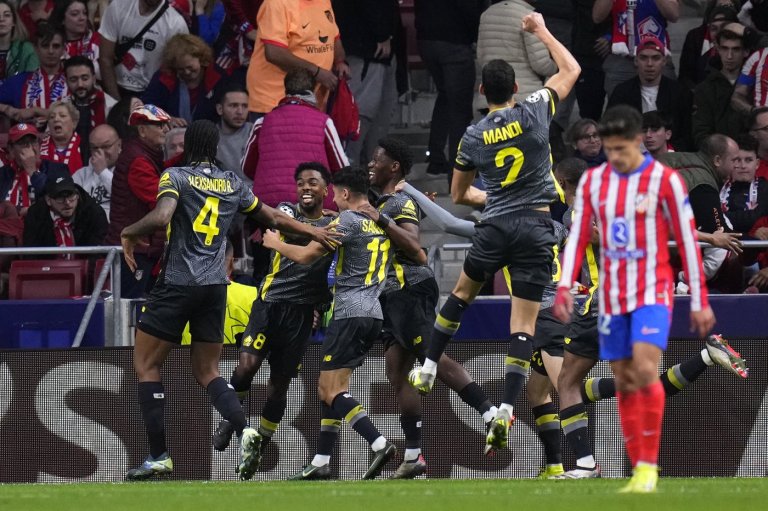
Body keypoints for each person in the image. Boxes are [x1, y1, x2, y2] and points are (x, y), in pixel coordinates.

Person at [120, 119, 340, 481]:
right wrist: (313, 231)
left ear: (188, 145)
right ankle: (244, 429)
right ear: (215, 147)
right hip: (215, 286)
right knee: (208, 372)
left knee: (146, 365)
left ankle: (158, 455)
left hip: (177, 283)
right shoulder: (232, 183)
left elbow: (162, 216)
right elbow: (273, 217)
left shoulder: (176, 177)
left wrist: (129, 232)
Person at [407, 13, 580, 457]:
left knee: (461, 295)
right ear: (515, 88)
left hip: (497, 225)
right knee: (522, 325)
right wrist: (540, 31)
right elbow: (571, 69)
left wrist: (495, 197)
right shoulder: (535, 108)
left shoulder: (472, 135)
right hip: (537, 227)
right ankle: (504, 408)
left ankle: (428, 366)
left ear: (482, 91)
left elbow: (459, 194)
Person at [553, 105, 715, 493]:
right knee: (623, 380)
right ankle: (614, 463)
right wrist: (563, 286)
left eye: (621, 148)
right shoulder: (594, 184)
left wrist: (699, 298)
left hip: (650, 291)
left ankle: (641, 466)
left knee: (637, 372)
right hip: (608, 299)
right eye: (609, 149)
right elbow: (578, 238)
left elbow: (685, 237)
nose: (615, 157)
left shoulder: (665, 180)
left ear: (638, 142)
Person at [367, 137, 499, 478]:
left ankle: (490, 413)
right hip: (391, 294)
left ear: (394, 167)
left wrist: (382, 219)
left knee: (431, 357)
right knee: (396, 372)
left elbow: (414, 245)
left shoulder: (397, 202)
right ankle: (413, 456)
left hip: (408, 288)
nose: (371, 164)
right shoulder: (385, 203)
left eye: (377, 160)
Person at [261, 166, 395, 481]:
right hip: (373, 312)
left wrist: (275, 243)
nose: (333, 200)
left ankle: (378, 443)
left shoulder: (346, 221)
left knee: (328, 389)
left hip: (349, 313)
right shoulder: (379, 221)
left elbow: (307, 256)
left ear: (345, 193)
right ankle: (321, 461)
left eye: (335, 193)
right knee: (334, 389)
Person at [210, 162, 335, 460]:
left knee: (278, 387)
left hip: (301, 313)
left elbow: (325, 267)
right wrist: (317, 229)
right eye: (300, 183)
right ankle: (231, 419)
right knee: (246, 366)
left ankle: (260, 446)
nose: (305, 187)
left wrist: (320, 306)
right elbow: (281, 227)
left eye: (312, 182)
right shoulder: (287, 211)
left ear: (326, 190)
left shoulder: (335, 225)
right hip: (269, 303)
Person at [241, 67, 348, 211]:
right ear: (313, 90)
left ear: (285, 90)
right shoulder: (324, 122)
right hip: (313, 203)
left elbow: (246, 167)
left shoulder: (262, 122)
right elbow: (341, 167)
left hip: (268, 206)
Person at [105, 104, 171, 298]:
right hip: (135, 251)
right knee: (131, 307)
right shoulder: (138, 162)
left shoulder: (144, 154)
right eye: (159, 125)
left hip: (140, 248)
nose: (165, 129)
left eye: (165, 125)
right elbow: (161, 201)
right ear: (142, 130)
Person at [415, 0, 484, 177]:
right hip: (455, 41)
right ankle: (458, 169)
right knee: (460, 109)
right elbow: (470, 9)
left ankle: (436, 158)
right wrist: (475, 37)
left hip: (427, 39)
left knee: (445, 97)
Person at [246, 0, 350, 116]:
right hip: (275, 101)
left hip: (311, 102)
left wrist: (340, 61)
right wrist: (317, 72)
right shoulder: (277, 3)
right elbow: (274, 53)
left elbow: (333, 36)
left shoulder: (324, 1)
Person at [333, 0, 400, 165]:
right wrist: (383, 34)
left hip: (367, 49)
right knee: (360, 114)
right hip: (367, 49)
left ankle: (367, 169)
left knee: (373, 115)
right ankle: (351, 168)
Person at [607, 36, 692, 151]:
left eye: (655, 58)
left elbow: (687, 134)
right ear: (636, 61)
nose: (649, 64)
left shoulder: (680, 92)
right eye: (643, 58)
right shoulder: (622, 92)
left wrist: (671, 152)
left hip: (671, 155)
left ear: (664, 61)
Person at [98, 0, 189, 100]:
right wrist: (116, 101)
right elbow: (105, 58)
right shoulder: (118, 7)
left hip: (151, 91)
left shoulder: (176, 23)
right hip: (117, 85)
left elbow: (178, 69)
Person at [592, 0, 679, 97]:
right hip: (622, 59)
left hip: (656, 57)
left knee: (664, 102)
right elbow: (597, 17)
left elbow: (674, 15)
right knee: (620, 104)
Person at [141, 33, 224, 125]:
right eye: (181, 69)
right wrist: (166, 119)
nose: (187, 72)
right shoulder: (163, 77)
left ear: (201, 59)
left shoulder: (218, 78)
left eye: (190, 67)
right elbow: (146, 106)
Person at [0, 22, 68, 125]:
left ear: (63, 49)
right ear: (36, 49)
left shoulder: (73, 80)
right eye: (45, 46)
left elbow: (78, 115)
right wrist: (7, 109)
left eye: (56, 46)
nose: (51, 51)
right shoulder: (19, 82)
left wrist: (36, 110)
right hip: (29, 135)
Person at [22, 174, 108, 254]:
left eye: (71, 196)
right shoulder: (35, 215)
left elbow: (98, 255)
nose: (67, 203)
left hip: (85, 263)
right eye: (60, 197)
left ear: (77, 195)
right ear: (48, 200)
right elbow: (30, 255)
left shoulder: (94, 213)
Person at [693, 27, 749, 147]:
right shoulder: (704, 89)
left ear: (746, 51)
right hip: (718, 154)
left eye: (736, 49)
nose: (729, 56)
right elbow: (701, 132)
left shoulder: (755, 86)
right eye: (725, 48)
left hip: (751, 153)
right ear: (718, 49)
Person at [0, 123, 69, 217]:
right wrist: (17, 211)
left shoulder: (57, 169)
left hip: (42, 223)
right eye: (23, 143)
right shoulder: (2, 174)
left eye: (33, 142)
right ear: (11, 149)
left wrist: (32, 171)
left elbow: (59, 201)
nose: (31, 148)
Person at [64, 55, 116, 151]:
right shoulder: (62, 107)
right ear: (66, 81)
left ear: (94, 79)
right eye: (73, 80)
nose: (80, 84)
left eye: (85, 78)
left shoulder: (110, 106)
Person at [72, 124, 121, 218]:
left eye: (106, 146)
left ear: (119, 145)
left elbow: (123, 198)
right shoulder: (81, 174)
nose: (100, 152)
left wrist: (103, 172)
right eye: (95, 148)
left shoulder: (129, 170)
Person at [50, 0, 100, 78]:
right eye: (75, 14)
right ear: (62, 19)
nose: (82, 18)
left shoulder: (99, 40)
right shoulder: (53, 45)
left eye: (84, 13)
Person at [215, 83, 252, 185]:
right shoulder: (209, 137)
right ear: (220, 109)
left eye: (244, 106)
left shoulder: (255, 133)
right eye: (234, 105)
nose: (240, 111)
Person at [39, 100, 85, 174]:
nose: (56, 119)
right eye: (52, 117)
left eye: (62, 116)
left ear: (74, 123)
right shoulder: (39, 148)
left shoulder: (85, 147)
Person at [0, 0, 38, 86]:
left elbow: (31, 83)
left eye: (7, 15)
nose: (1, 19)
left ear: (13, 22)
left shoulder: (28, 50)